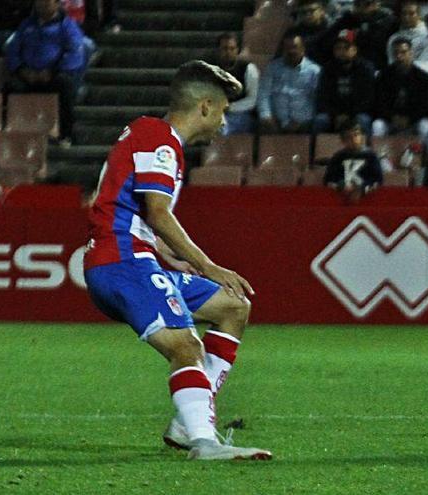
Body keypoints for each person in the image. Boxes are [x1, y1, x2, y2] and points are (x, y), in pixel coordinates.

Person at [83, 60, 272, 461]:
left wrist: (170, 257)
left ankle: (189, 422)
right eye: (222, 110)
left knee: (233, 306)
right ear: (204, 106)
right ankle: (204, 442)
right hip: (123, 263)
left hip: (134, 258)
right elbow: (158, 213)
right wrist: (208, 265)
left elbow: (131, 211)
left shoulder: (151, 135)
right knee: (186, 347)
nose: (224, 120)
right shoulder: (160, 140)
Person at [5, 0, 86, 145]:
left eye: (46, 3)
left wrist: (52, 72)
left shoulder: (67, 26)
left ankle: (66, 133)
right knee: (11, 86)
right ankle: (14, 137)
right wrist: (21, 69)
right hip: (27, 76)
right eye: (39, 2)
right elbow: (13, 50)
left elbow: (74, 52)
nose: (42, 6)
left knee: (64, 85)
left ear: (56, 4)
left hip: (53, 77)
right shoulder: (26, 25)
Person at [257, 31, 321, 134]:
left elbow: (317, 99)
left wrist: (301, 121)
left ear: (303, 49)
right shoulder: (272, 68)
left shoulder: (314, 71)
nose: (291, 51)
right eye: (287, 48)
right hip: (274, 122)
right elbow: (263, 93)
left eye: (295, 47)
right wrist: (266, 116)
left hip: (304, 124)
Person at [314, 29, 375, 135]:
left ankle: (366, 151)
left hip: (357, 113)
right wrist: (336, 115)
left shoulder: (365, 68)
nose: (341, 52)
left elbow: (368, 99)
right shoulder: (328, 69)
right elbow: (322, 97)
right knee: (320, 120)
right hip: (334, 114)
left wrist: (349, 115)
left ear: (355, 50)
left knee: (363, 120)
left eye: (346, 48)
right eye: (338, 48)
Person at [373, 37, 428, 137]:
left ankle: (423, 151)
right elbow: (379, 102)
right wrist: (392, 117)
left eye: (403, 52)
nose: (399, 56)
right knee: (377, 125)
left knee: (425, 125)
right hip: (390, 120)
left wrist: (410, 119)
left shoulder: (422, 77)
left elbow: (425, 105)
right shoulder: (384, 75)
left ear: (411, 53)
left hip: (414, 120)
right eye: (396, 53)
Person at [213, 33, 259, 135]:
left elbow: (253, 99)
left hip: (243, 114)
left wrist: (231, 107)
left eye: (232, 48)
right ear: (218, 51)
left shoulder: (248, 69)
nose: (228, 52)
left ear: (237, 50)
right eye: (225, 49)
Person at [324, 119, 384, 192]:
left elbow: (377, 180)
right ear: (343, 140)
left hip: (367, 198)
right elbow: (328, 181)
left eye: (356, 135)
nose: (353, 139)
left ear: (362, 136)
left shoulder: (371, 156)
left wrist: (363, 188)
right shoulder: (338, 157)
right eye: (349, 137)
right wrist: (341, 186)